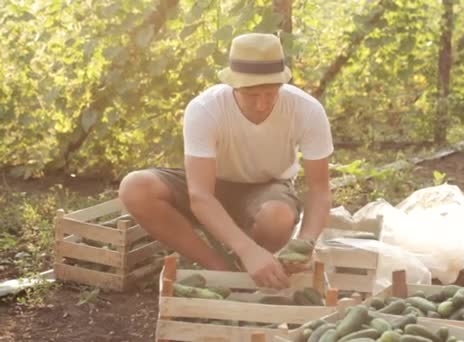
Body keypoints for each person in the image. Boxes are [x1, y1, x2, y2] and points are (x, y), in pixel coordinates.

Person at [118, 33, 333, 290]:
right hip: (213, 185)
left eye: (270, 93)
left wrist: (306, 243)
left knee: (278, 217)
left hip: (268, 188)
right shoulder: (205, 109)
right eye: (252, 95)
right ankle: (221, 268)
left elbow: (319, 190)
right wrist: (246, 250)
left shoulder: (307, 110)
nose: (262, 104)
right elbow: (200, 195)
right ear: (234, 85)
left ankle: (257, 264)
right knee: (135, 187)